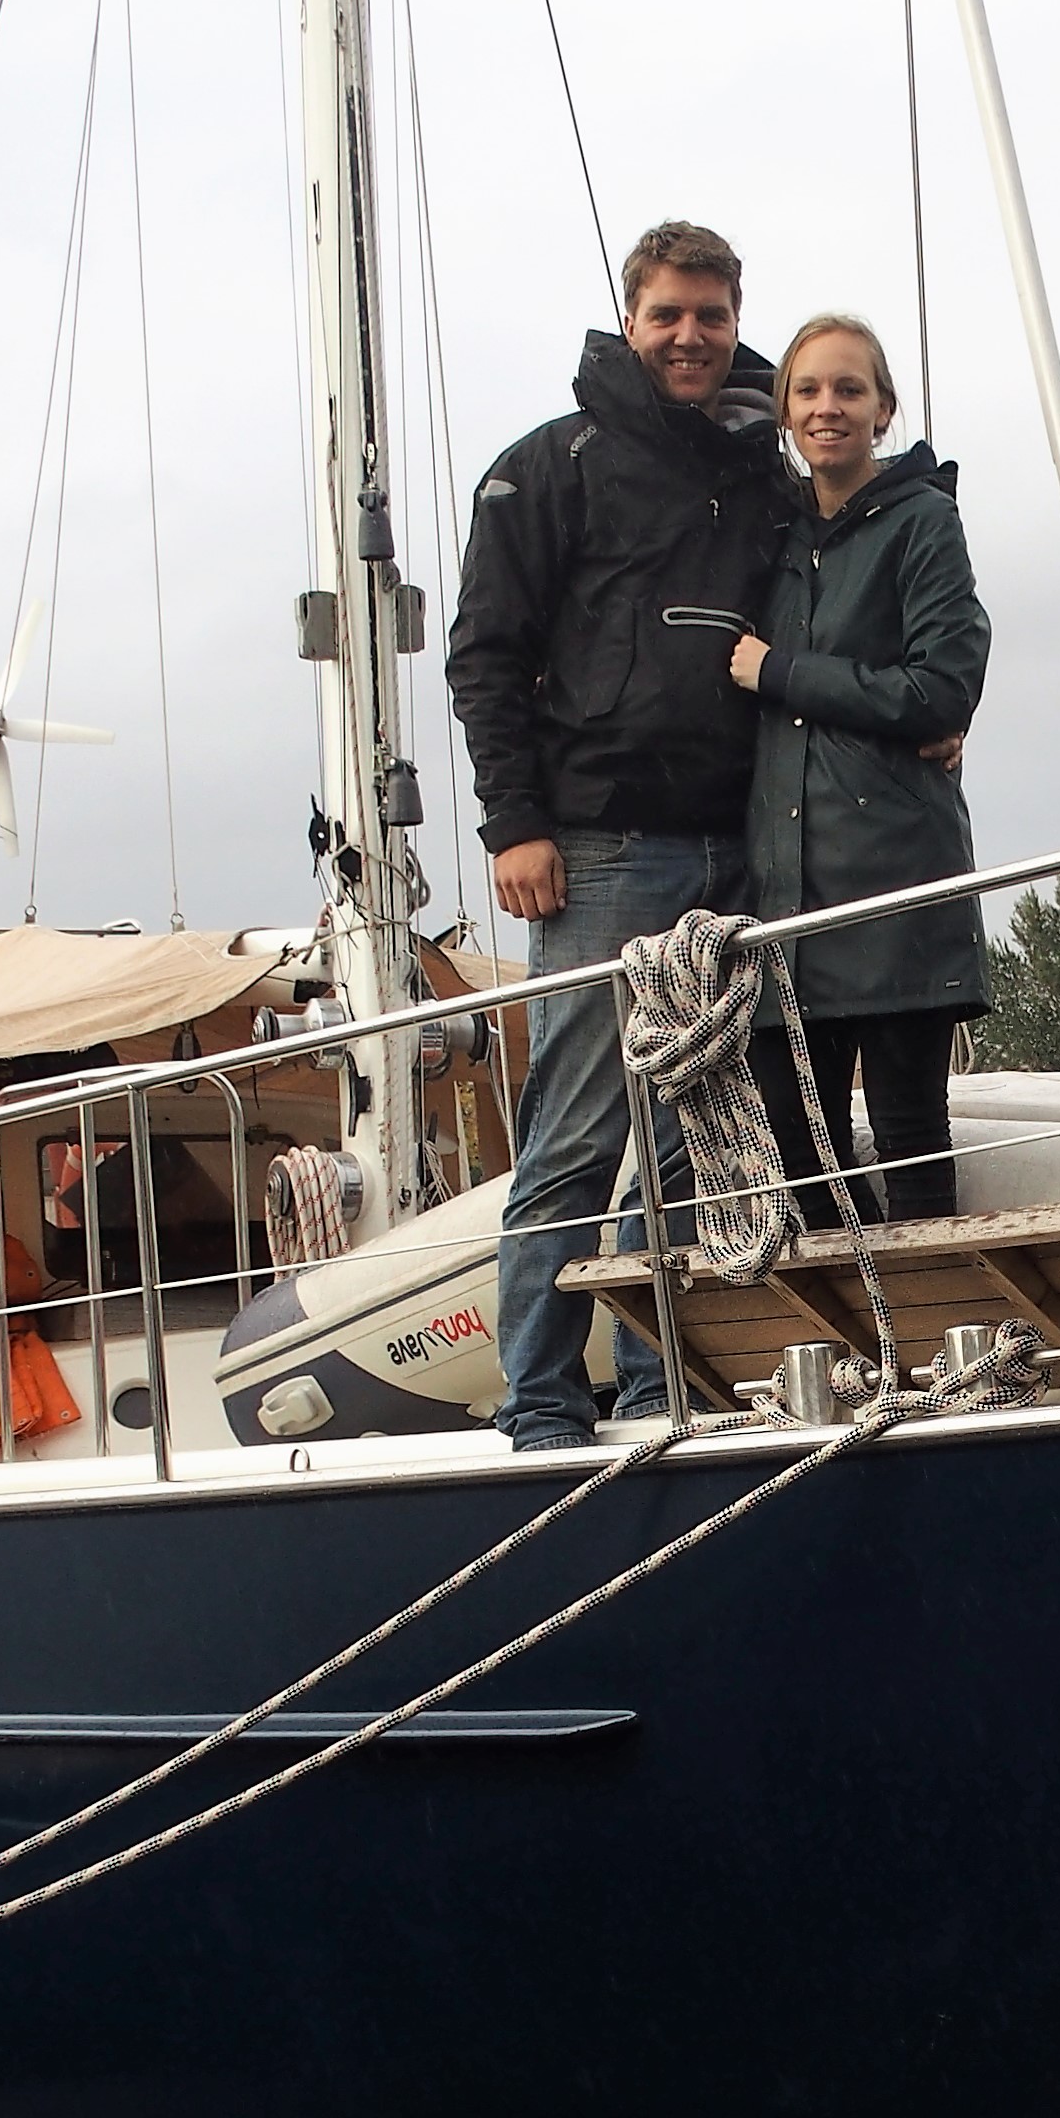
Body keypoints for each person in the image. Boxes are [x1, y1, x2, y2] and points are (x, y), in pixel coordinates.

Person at [449, 220, 788, 1450]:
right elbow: (484, 654)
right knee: (578, 1135)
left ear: (735, 319)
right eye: (668, 315)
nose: (691, 336)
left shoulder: (766, 472)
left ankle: (660, 1390)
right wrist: (514, 824)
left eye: (710, 314)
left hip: (735, 848)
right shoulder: (549, 467)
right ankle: (540, 1402)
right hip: (594, 850)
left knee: (694, 1143)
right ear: (629, 319)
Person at [727, 313, 992, 1223]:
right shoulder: (770, 533)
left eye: (849, 390)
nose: (827, 407)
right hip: (784, 909)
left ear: (884, 409)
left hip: (893, 891)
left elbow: (943, 688)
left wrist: (783, 673)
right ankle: (860, 1352)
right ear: (784, 411)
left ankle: (939, 1344)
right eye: (807, 391)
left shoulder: (925, 524)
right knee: (799, 1154)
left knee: (912, 1133)